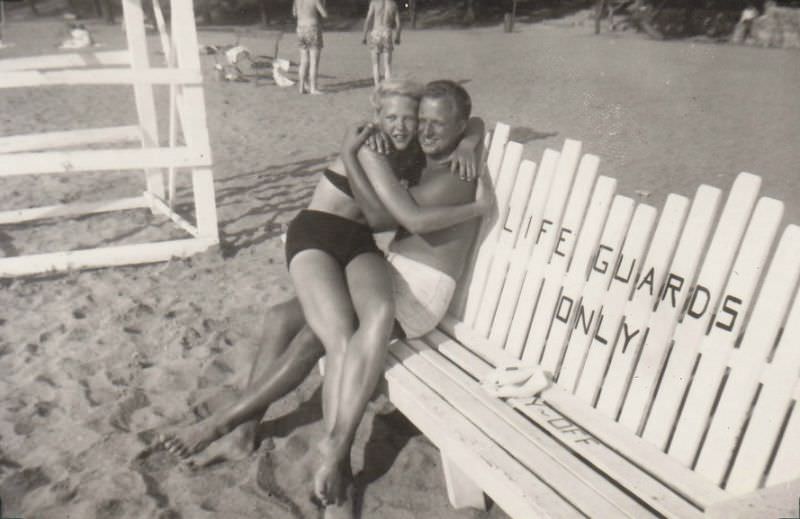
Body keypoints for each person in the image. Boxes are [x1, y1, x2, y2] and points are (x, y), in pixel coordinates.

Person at [156, 80, 491, 517]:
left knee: (320, 338)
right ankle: (242, 431)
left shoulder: (454, 174)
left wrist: (472, 165)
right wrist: (470, 137)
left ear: (457, 125)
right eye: (420, 121)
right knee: (285, 318)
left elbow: (397, 217)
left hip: (419, 292)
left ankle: (333, 466)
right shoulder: (439, 153)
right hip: (394, 270)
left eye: (435, 125)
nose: (423, 132)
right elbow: (475, 121)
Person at [362, 0, 402, 87]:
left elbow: (368, 20)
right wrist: (398, 37)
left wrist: (364, 36)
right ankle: (387, 87)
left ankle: (377, 86)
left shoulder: (374, 3)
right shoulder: (393, 4)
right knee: (387, 65)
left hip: (376, 32)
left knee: (375, 63)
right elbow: (398, 24)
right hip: (387, 32)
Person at [293, 0, 327, 94]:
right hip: (312, 28)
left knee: (303, 60)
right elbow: (324, 14)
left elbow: (294, 13)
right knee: (314, 61)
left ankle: (301, 86)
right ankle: (313, 88)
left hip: (300, 28)